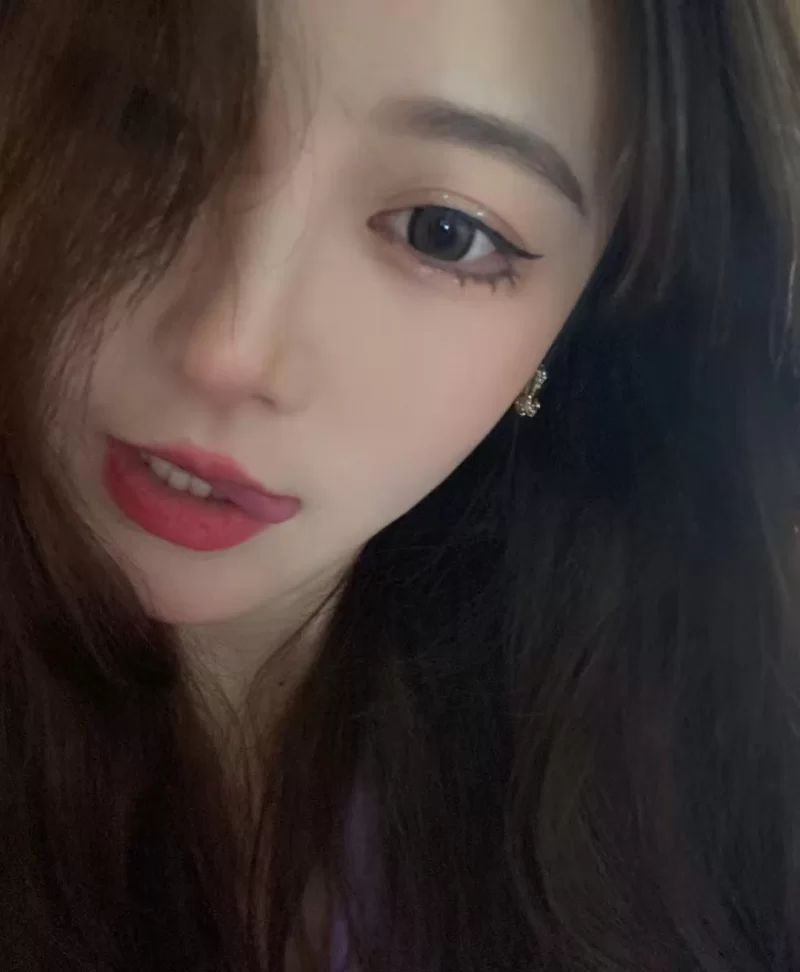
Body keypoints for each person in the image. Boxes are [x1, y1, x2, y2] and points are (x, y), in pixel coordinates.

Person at [1, 0, 799, 969]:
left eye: (443, 233)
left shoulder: (707, 787)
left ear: (578, 327)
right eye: (138, 118)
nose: (228, 347)